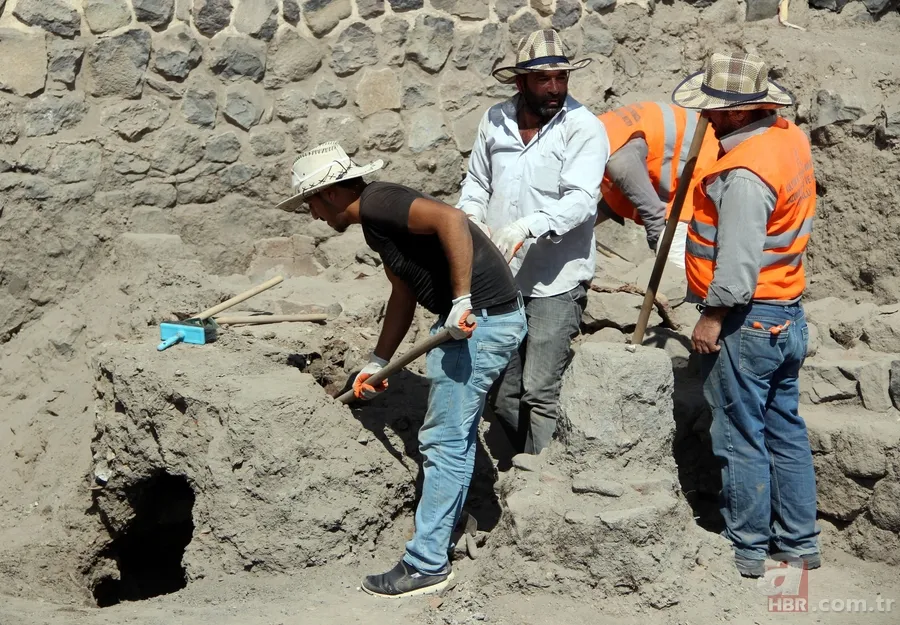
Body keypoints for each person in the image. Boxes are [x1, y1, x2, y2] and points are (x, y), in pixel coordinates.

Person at [276, 141, 527, 598]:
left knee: (444, 440)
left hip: (481, 321)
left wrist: (462, 300)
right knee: (455, 436)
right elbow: (402, 293)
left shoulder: (380, 202)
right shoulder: (374, 225)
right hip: (474, 320)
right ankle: (447, 529)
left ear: (330, 193)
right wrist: (378, 360)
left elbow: (453, 219)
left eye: (309, 201)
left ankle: (426, 564)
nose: (310, 213)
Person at [672, 52, 819, 578]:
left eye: (713, 110)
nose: (707, 118)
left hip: (747, 318)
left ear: (736, 114)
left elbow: (736, 266)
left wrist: (711, 317)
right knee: (784, 428)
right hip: (786, 311)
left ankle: (749, 547)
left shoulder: (744, 174)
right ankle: (800, 542)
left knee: (739, 433)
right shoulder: (788, 139)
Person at [456, 28, 609, 455]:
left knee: (539, 391)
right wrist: (472, 218)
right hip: (501, 279)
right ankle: (513, 472)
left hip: (555, 281)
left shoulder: (583, 127)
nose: (555, 89)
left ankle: (543, 483)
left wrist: (528, 226)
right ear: (520, 82)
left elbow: (581, 200)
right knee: (504, 391)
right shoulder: (495, 120)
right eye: (544, 80)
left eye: (561, 78)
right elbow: (476, 183)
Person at [595, 101, 719, 269]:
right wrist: (576, 230)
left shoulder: (620, 161)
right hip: (693, 147)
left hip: (703, 159)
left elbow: (653, 215)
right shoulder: (598, 131)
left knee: (674, 253)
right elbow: (618, 197)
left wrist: (661, 262)